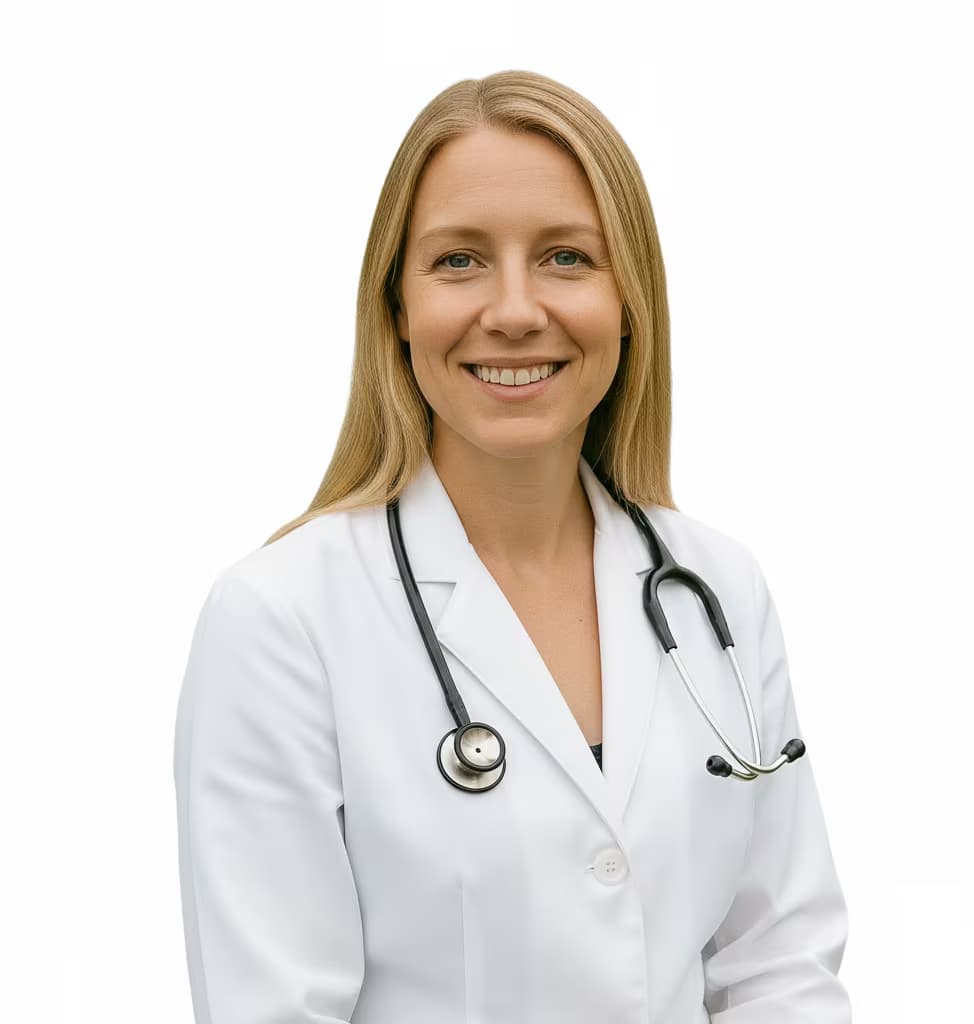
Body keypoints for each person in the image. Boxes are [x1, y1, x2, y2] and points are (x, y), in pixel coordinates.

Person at [173, 69, 852, 1023]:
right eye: (459, 261)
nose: (515, 309)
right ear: (395, 307)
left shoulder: (717, 589)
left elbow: (780, 968)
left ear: (630, 298)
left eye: (567, 257)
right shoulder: (282, 621)